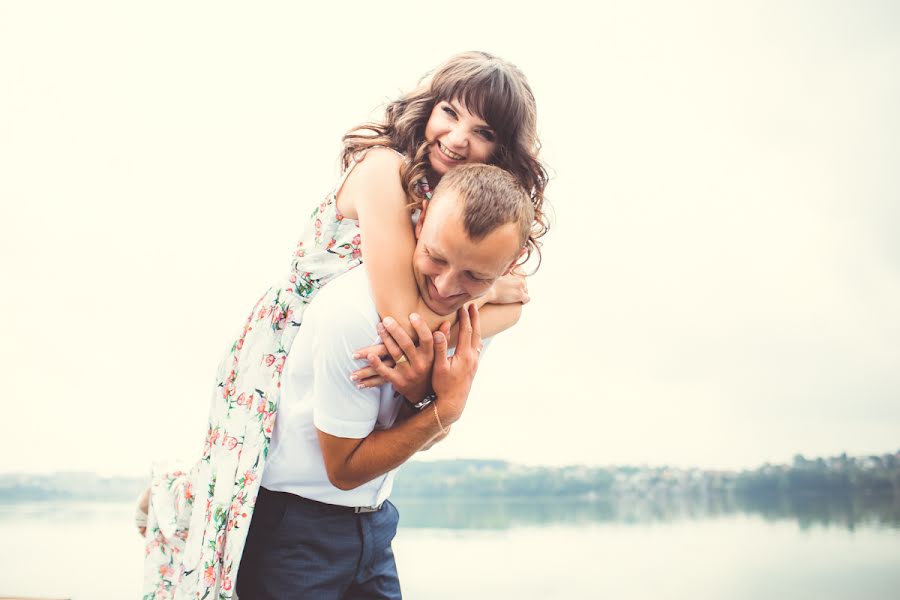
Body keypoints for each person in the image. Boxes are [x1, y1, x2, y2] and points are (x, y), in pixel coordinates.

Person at [140, 51, 549, 599]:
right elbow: (402, 318)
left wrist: (488, 300)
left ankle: (189, 490)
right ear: (428, 108)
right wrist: (488, 288)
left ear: (503, 150)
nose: (455, 137)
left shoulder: (458, 213)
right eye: (449, 113)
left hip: (366, 358)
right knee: (241, 476)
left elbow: (512, 309)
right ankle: (181, 492)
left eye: (483, 131)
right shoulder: (384, 170)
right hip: (285, 340)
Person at [236, 164, 533, 598]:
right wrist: (443, 410)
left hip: (374, 522)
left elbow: (420, 433)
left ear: (509, 267)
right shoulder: (353, 315)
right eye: (437, 256)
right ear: (422, 216)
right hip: (295, 530)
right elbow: (344, 469)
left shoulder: (476, 315)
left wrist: (425, 403)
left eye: (475, 276)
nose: (446, 287)